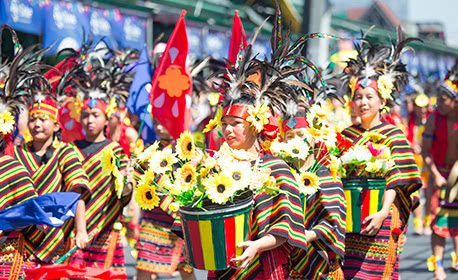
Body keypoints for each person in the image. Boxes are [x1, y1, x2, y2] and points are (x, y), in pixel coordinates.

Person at [339, 27, 422, 280]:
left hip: (380, 219)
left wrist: (383, 212)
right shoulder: (345, 135)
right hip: (349, 222)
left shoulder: (394, 134)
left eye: (369, 97)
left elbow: (398, 181)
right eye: (358, 97)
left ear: (382, 101)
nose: (363, 102)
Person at [61, 59, 134, 275]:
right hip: (75, 228)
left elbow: (123, 194)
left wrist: (128, 183)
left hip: (105, 227)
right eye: (85, 115)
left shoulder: (114, 149)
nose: (89, 120)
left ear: (106, 119)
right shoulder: (70, 148)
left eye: (95, 115)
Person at [14, 93, 90, 267]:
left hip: (55, 234)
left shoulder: (65, 152)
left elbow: (76, 192)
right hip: (21, 234)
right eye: (33, 119)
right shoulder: (17, 152)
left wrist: (81, 230)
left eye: (43, 119)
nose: (37, 124)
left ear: (56, 126)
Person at [280, 109, 347, 280]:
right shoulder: (279, 175)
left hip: (322, 262)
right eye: (289, 136)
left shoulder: (326, 175)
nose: (296, 141)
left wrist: (301, 236)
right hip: (288, 261)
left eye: (301, 134)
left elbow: (334, 220)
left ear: (314, 137)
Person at [135, 117, 195, 280]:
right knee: (144, 266)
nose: (160, 127)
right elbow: (139, 180)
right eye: (156, 123)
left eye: (164, 122)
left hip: (178, 219)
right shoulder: (149, 150)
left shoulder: (186, 150)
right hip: (153, 218)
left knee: (186, 269)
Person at [422, 57, 458, 280]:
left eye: (443, 100)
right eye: (438, 99)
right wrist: (435, 174)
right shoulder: (433, 119)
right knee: (437, 223)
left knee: (456, 222)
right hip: (439, 175)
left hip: (457, 177)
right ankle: (439, 267)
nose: (439, 103)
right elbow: (425, 153)